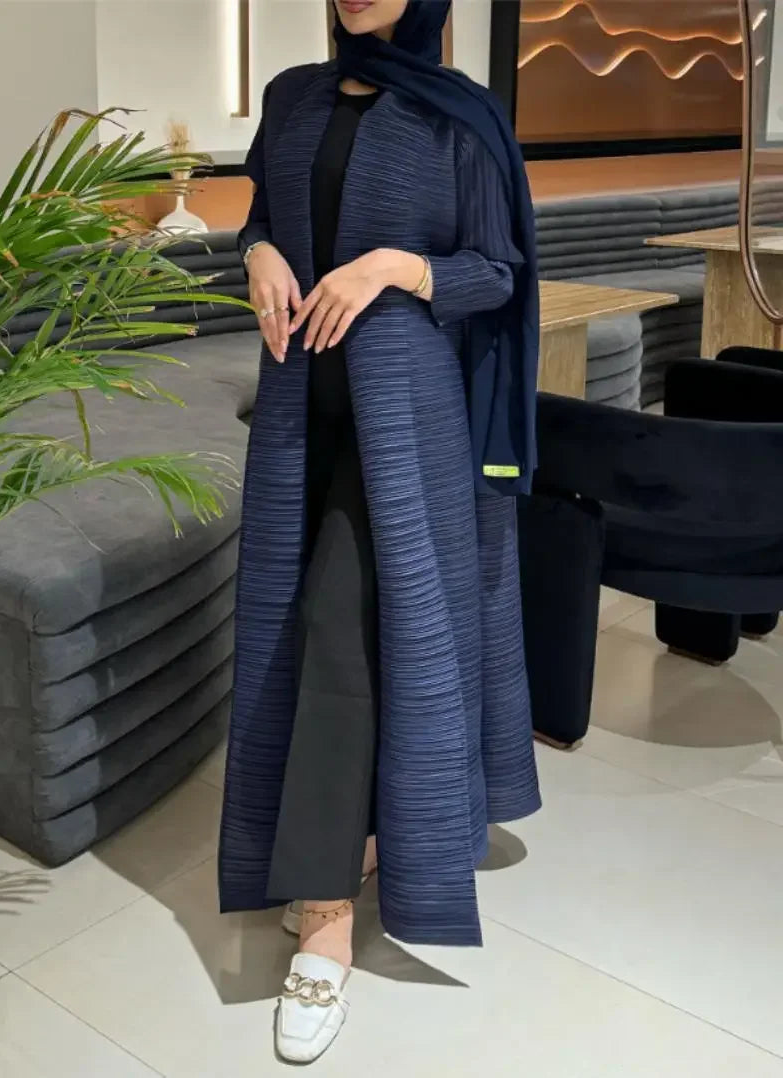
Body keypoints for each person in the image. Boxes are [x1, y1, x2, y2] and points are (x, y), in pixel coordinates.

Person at [219, 0, 541, 1063]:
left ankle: (324, 926)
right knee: (297, 632)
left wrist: (396, 267)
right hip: (295, 417)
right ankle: (355, 836)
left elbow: (496, 271)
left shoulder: (462, 115)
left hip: (403, 426)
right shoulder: (292, 98)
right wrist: (259, 253)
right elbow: (260, 216)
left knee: (341, 634)